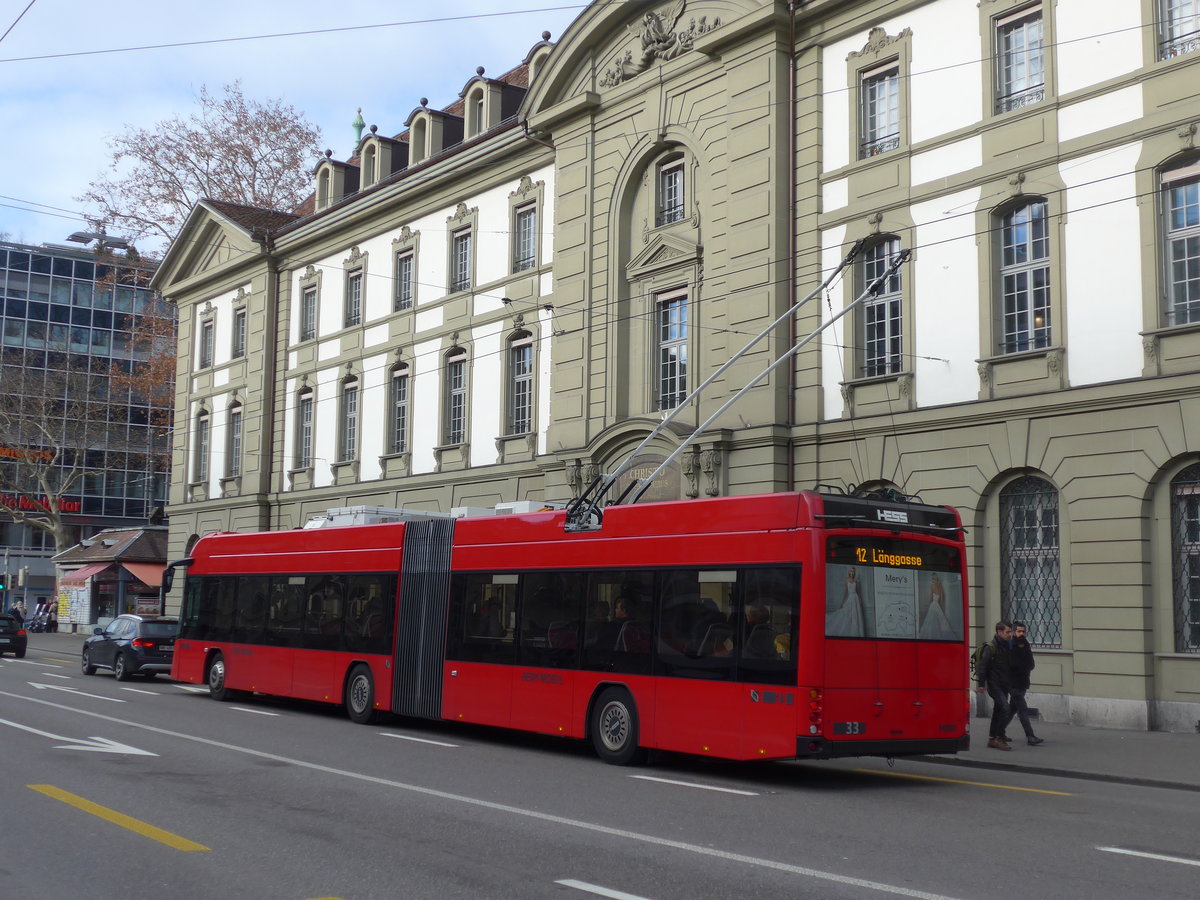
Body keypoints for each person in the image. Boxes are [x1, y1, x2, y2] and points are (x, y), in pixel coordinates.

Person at [976, 621, 1014, 750]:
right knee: (1005, 708)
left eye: (1011, 632)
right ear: (999, 632)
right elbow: (983, 666)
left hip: (1005, 684)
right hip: (994, 684)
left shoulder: (1008, 645)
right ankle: (998, 738)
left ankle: (992, 738)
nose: (1010, 634)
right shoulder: (991, 647)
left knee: (998, 710)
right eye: (1007, 632)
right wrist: (981, 684)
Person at [1006, 621, 1044, 745]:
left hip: (1023, 682)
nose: (1021, 633)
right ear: (1013, 632)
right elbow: (1011, 665)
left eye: (1023, 631)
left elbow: (1031, 664)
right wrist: (1022, 667)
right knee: (1022, 709)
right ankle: (1030, 736)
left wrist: (1024, 667)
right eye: (1019, 631)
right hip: (1013, 683)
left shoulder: (1026, 645)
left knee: (1012, 709)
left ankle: (997, 733)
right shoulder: (1010, 646)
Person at [826, 567, 865, 636]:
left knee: (856, 615)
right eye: (851, 571)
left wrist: (860, 600)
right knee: (847, 615)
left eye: (853, 572)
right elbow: (846, 592)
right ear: (849, 572)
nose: (852, 573)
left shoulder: (856, 581)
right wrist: (842, 602)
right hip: (850, 598)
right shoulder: (846, 581)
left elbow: (858, 592)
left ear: (854, 573)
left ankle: (857, 634)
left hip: (855, 599)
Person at [918, 573, 955, 639]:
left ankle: (931, 636)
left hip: (933, 605)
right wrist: (941, 604)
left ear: (934, 579)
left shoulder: (932, 586)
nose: (932, 580)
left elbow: (931, 597)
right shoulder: (940, 586)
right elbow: (943, 597)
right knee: (938, 620)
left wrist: (928, 604)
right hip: (937, 605)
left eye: (933, 578)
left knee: (931, 621)